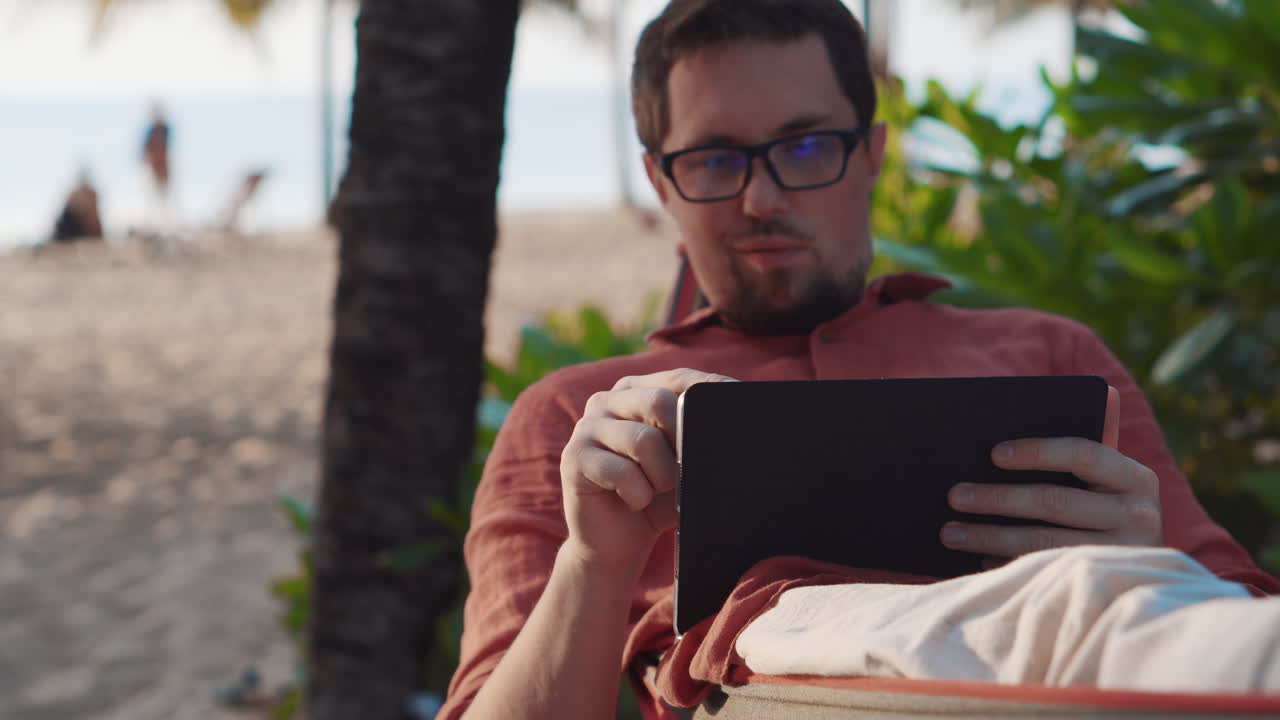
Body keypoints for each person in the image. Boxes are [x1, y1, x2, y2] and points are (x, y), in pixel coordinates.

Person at [438, 2, 1280, 718]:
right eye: (715, 160)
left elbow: (1239, 622)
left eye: (806, 148)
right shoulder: (586, 422)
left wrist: (1149, 557)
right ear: (662, 186)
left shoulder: (1049, 355)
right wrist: (596, 564)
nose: (761, 199)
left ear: (872, 155)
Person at [50, 170, 104, 244]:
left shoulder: (91, 194)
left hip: (82, 231)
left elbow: (94, 219)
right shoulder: (75, 195)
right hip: (71, 230)